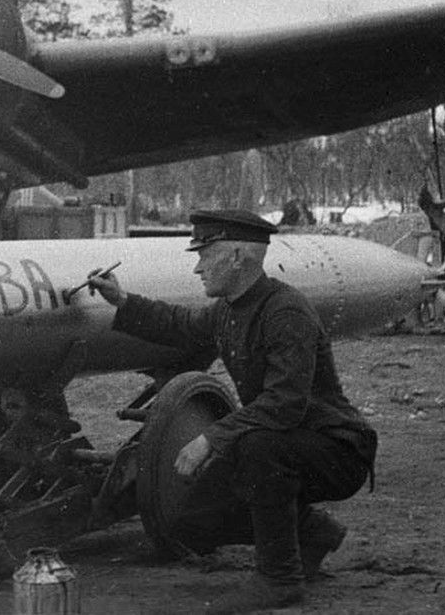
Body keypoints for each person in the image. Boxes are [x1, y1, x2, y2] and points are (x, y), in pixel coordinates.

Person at [89, 209, 377, 614]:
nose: (198, 268)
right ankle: (313, 531)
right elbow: (181, 324)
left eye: (206, 255)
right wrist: (121, 300)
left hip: (336, 450)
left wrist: (210, 438)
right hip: (285, 443)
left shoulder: (285, 312)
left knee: (259, 446)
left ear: (238, 255)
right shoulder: (229, 309)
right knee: (189, 521)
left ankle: (279, 579)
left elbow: (284, 404)